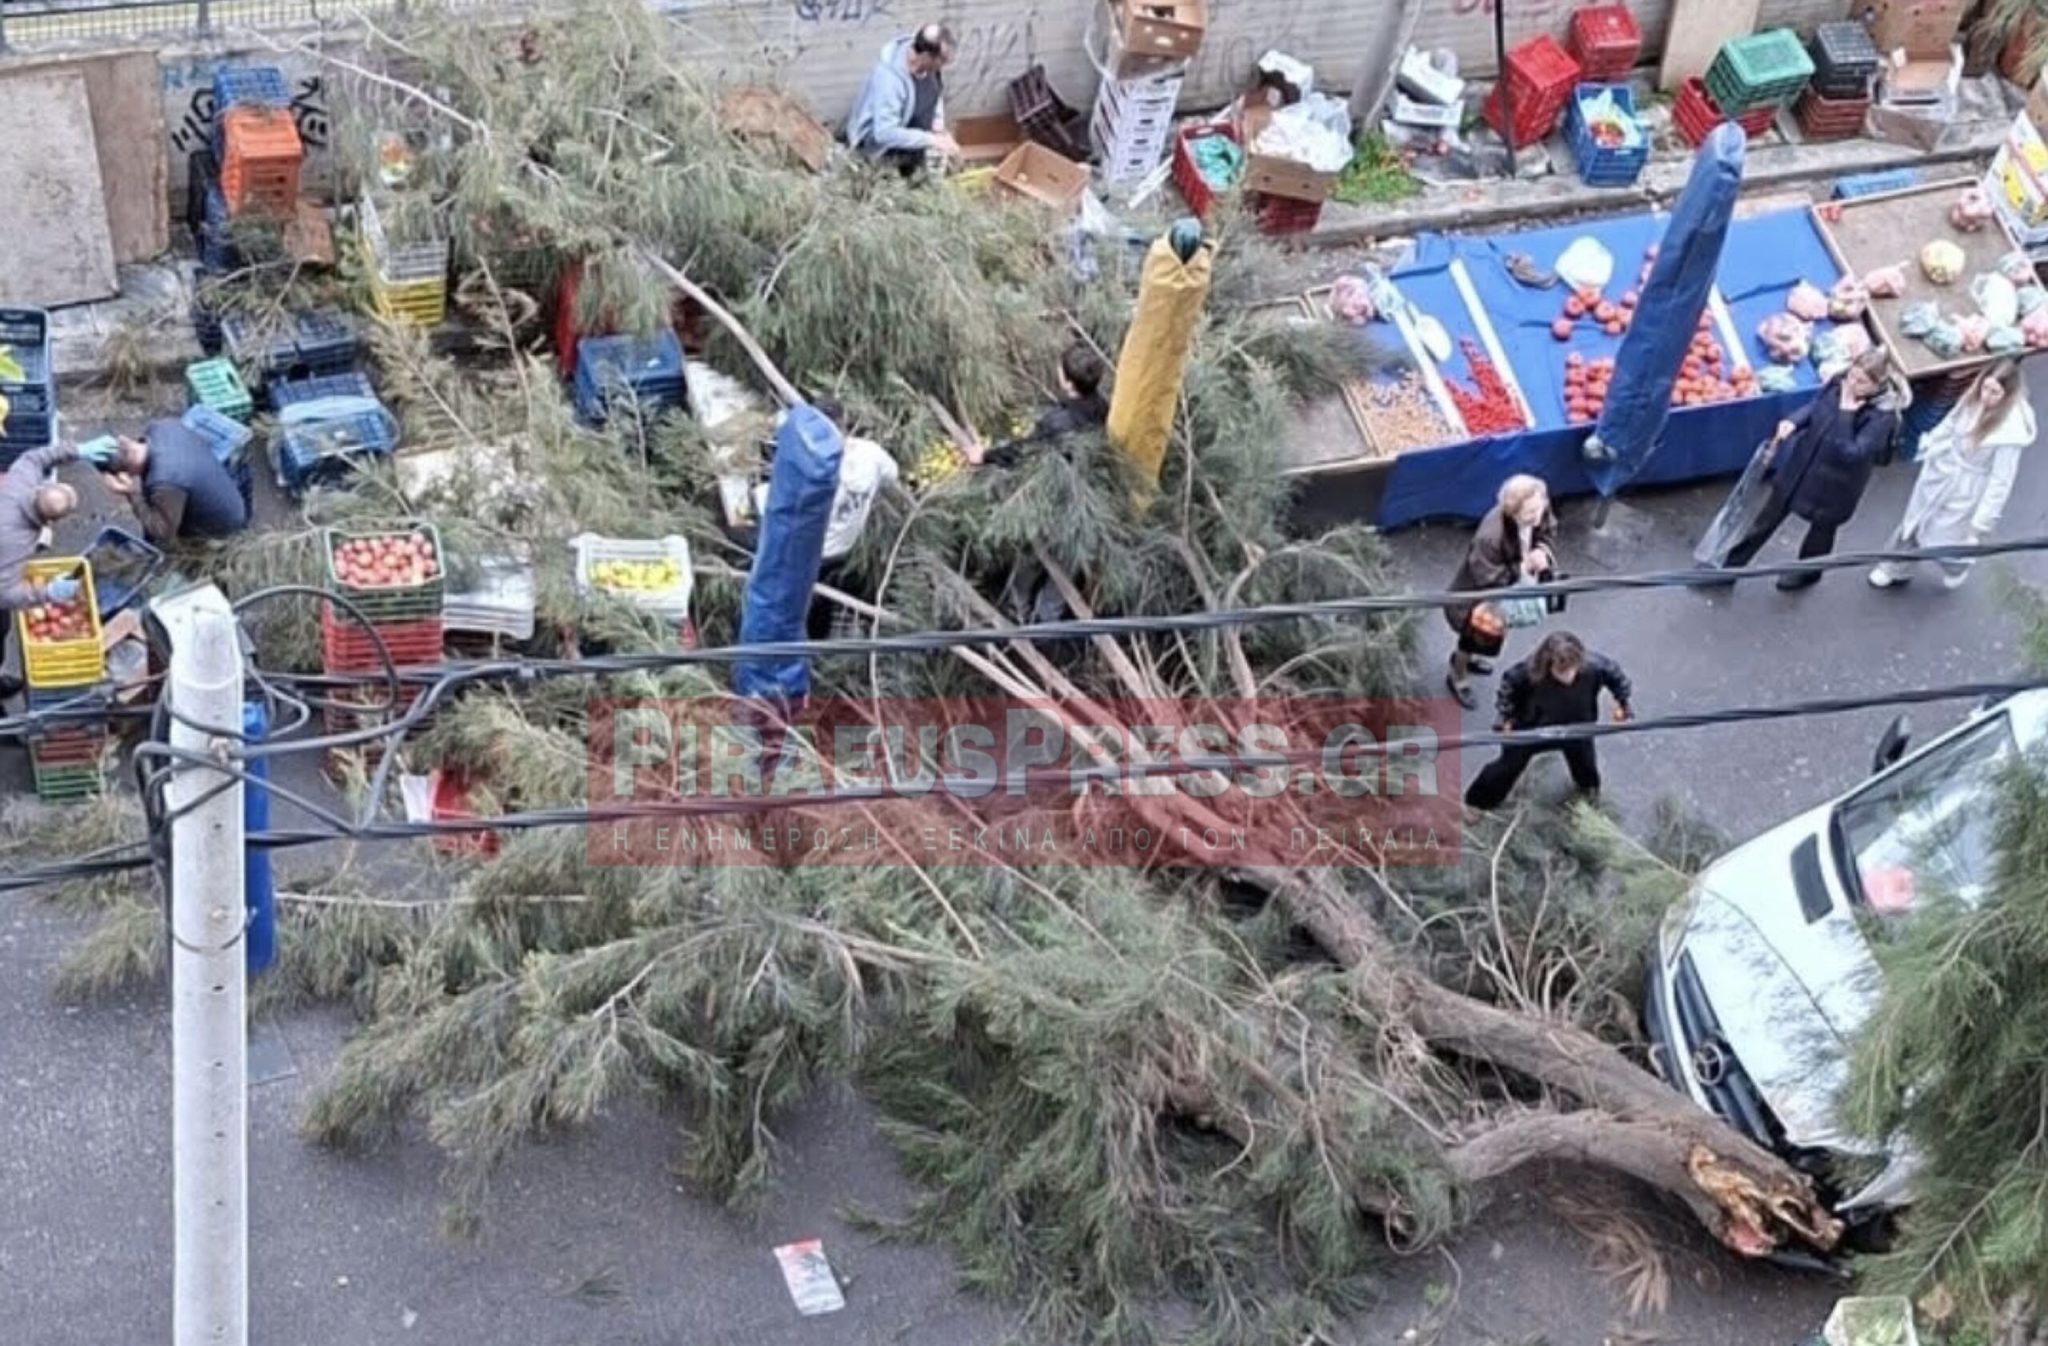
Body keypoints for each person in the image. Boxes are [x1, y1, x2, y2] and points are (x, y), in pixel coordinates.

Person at [1716, 347, 1900, 591]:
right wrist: (1794, 421)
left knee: (1820, 535)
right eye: (1852, 376)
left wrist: (1846, 413)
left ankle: (1808, 573)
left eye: (1861, 382)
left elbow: (1852, 453)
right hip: (1801, 466)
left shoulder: (1882, 417)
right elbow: (1816, 406)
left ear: (1877, 385)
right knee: (1765, 521)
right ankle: (1731, 567)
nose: (1852, 384)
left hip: (1835, 486)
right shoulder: (1840, 382)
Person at [1869, 358, 2034, 593]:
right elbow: (1950, 423)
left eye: (1995, 392)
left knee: (1941, 540)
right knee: (1913, 521)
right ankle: (1894, 567)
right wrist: (1932, 443)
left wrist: (1983, 519)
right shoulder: (1972, 399)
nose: (1986, 396)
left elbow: (2001, 481)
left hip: (1966, 490)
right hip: (1943, 470)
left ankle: (1957, 566)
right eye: (1985, 388)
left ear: (2007, 395)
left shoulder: (2010, 433)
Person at [1464, 631, 1632, 810]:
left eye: (1573, 668)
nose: (1568, 676)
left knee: (1586, 769)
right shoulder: (1527, 672)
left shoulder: (1594, 666)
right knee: (1507, 768)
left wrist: (1622, 702)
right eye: (1561, 670)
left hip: (1576, 727)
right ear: (1547, 664)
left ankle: (1587, 798)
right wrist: (1506, 718)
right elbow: (1508, 689)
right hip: (1532, 729)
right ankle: (1478, 804)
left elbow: (1617, 677)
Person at [0, 439, 115, 699]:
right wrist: (47, 593)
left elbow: (35, 457)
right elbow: (4, 594)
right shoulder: (17, 542)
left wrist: (77, 450)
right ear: (52, 521)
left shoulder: (20, 483)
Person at [1443, 473, 1555, 711]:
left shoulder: (1538, 507)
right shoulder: (1490, 537)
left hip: (1506, 591)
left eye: (1539, 508)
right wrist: (1522, 568)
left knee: (1488, 636)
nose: (1537, 517)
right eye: (1530, 513)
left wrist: (1542, 550)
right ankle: (1458, 674)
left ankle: (1469, 659)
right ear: (1512, 512)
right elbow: (1487, 577)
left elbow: (1547, 530)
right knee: (1472, 636)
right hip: (1479, 598)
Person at [806, 398, 900, 639]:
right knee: (831, 601)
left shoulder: (812, 465)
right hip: (847, 548)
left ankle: (812, 643)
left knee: (812, 611)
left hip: (813, 555)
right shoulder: (871, 453)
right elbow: (891, 477)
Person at [101, 418, 251, 547]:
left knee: (162, 535)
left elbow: (163, 533)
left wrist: (131, 493)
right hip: (225, 492)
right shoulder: (161, 427)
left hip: (223, 522)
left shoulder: (165, 483)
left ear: (127, 472)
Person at [969, 344, 1110, 469]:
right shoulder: (1104, 406)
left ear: (1069, 384)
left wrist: (985, 456)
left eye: (1060, 369)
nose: (1057, 369)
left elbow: (1023, 451)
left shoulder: (1055, 423)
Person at [845, 24, 958, 177]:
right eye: (942, 61)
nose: (943, 65)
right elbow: (884, 133)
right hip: (881, 152)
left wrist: (938, 126)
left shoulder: (929, 67)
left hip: (914, 141)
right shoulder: (890, 80)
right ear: (925, 56)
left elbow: (936, 93)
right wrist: (932, 140)